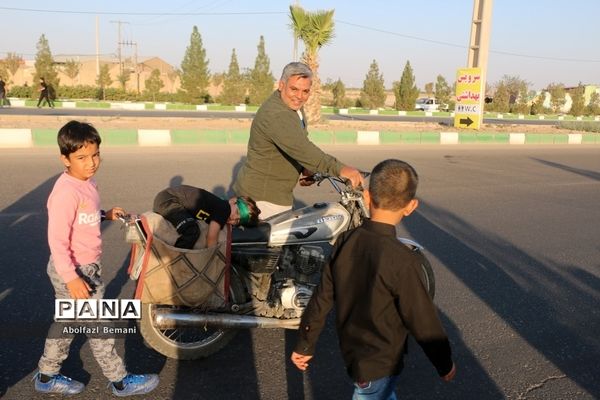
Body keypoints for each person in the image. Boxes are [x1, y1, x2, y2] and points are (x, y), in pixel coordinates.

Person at [291, 159, 456, 399]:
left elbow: (321, 298)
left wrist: (305, 344)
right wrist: (444, 362)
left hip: (355, 353)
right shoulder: (403, 260)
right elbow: (423, 319)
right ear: (411, 206)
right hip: (380, 361)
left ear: (367, 197)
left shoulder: (345, 241)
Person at [34, 121, 159, 396]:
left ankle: (46, 376)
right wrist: (72, 278)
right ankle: (121, 381)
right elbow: (57, 240)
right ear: (64, 159)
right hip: (76, 271)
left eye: (95, 155)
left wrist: (105, 214)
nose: (90, 163)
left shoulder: (85, 183)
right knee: (100, 327)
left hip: (81, 269)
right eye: (81, 158)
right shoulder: (65, 192)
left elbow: (83, 215)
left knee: (64, 323)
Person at [232, 61, 364, 218]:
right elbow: (303, 148)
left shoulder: (292, 107)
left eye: (305, 91)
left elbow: (294, 141)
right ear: (281, 85)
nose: (299, 96)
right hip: (264, 200)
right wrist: (342, 169)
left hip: (272, 193)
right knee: (278, 240)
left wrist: (304, 167)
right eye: (294, 89)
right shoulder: (278, 114)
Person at [153, 185, 261, 249]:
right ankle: (176, 261)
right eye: (237, 212)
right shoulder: (224, 208)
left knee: (191, 225)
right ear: (233, 200)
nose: (233, 218)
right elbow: (211, 238)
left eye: (237, 221)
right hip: (169, 199)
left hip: (170, 200)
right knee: (192, 231)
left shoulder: (218, 207)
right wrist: (213, 259)